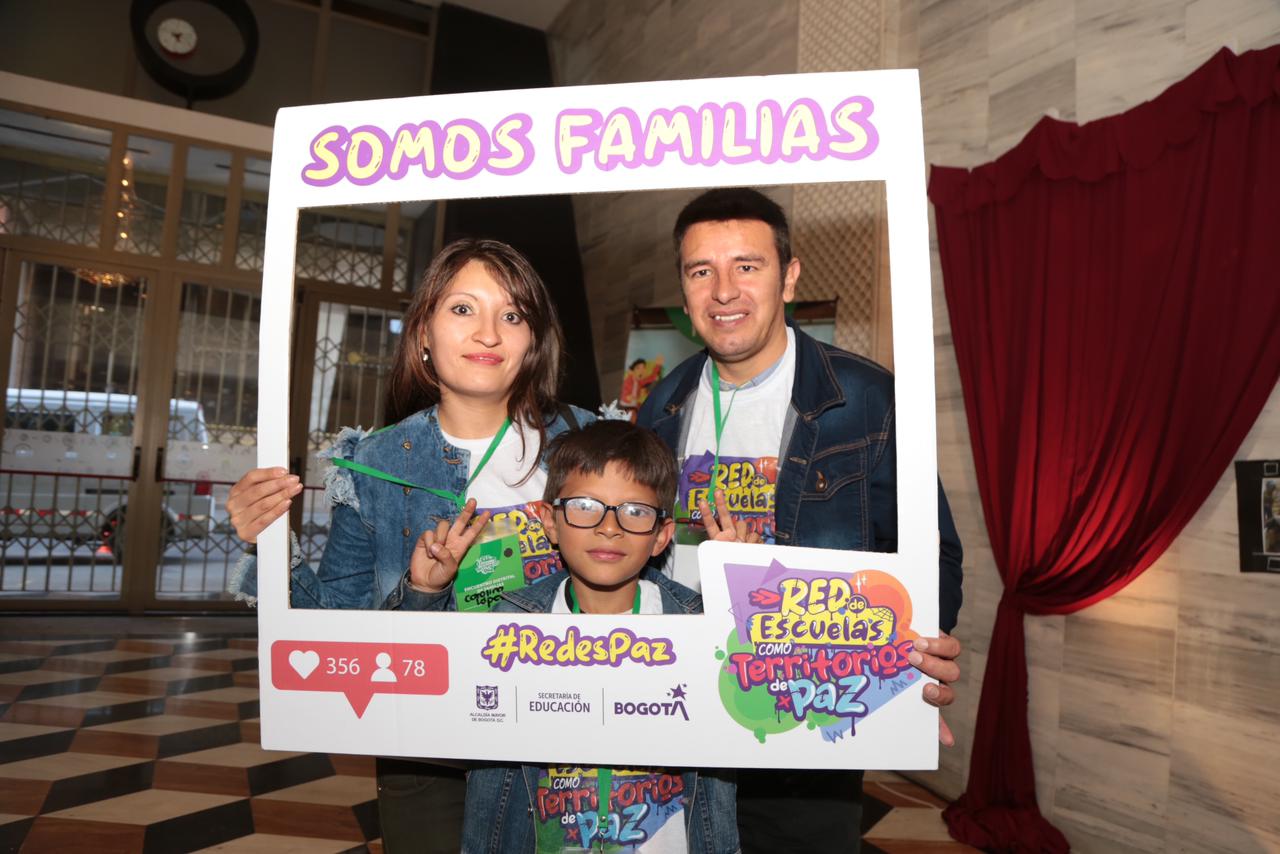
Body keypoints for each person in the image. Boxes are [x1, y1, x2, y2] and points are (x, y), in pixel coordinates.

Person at [224, 238, 594, 853]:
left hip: (568, 750)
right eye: (462, 309)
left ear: (533, 340)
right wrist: (267, 545)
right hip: (427, 753)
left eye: (512, 315)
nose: (488, 333)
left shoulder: (590, 442)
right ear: (423, 333)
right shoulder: (375, 462)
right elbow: (337, 624)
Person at [636, 188, 965, 854]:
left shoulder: (865, 399)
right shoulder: (661, 406)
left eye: (747, 266)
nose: (724, 291)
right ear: (684, 288)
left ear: (788, 277)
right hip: (677, 716)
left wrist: (914, 654)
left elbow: (935, 555)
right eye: (701, 271)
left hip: (804, 727)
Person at [384, 419, 752, 853]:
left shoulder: (698, 627)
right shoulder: (508, 623)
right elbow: (412, 699)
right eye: (584, 506)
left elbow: (762, 701)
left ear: (661, 536)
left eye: (636, 511)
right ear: (550, 522)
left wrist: (743, 602)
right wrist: (425, 593)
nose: (609, 527)